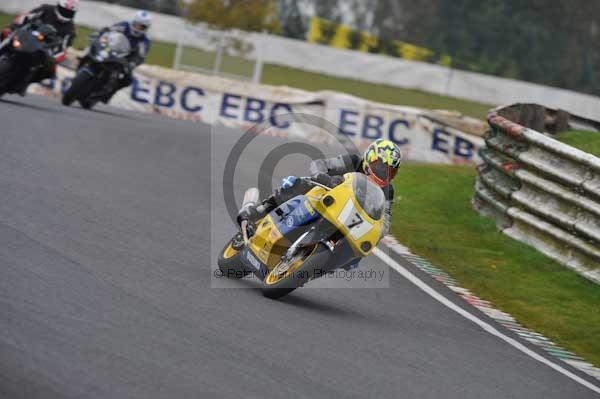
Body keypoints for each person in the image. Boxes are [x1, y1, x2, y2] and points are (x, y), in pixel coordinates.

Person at [238, 138, 402, 240]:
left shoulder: (388, 191)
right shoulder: (353, 161)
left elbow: (385, 222)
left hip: (349, 218)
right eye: (380, 167)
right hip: (326, 193)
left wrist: (378, 231)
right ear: (369, 159)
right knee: (297, 184)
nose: (383, 174)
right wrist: (322, 176)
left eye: (389, 171)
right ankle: (259, 210)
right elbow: (320, 164)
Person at [1, 0, 78, 88]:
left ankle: (26, 81)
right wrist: (12, 27)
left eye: (69, 12)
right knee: (6, 34)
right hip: (27, 36)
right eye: (64, 10)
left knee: (49, 69)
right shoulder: (46, 9)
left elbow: (64, 48)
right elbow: (26, 16)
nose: (66, 13)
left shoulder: (70, 29)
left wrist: (55, 58)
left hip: (42, 49)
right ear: (58, 7)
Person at [90, 10, 152, 103]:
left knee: (128, 79)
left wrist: (132, 64)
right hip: (110, 49)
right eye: (136, 24)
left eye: (141, 26)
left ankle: (109, 93)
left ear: (146, 28)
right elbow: (109, 30)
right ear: (133, 22)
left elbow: (141, 56)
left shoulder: (144, 41)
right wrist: (100, 34)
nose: (137, 28)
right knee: (93, 48)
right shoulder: (124, 26)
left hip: (124, 60)